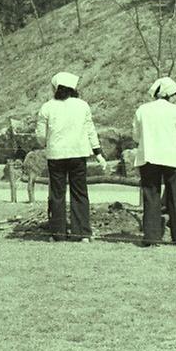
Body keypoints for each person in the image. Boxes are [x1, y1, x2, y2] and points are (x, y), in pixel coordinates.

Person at [36, 72, 106, 242]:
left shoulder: (47, 107)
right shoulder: (83, 106)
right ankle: (82, 233)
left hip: (56, 155)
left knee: (57, 194)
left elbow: (41, 137)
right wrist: (98, 154)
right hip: (78, 154)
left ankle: (58, 233)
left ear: (56, 88)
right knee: (80, 193)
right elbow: (90, 131)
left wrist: (47, 143)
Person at [133, 77, 176, 247]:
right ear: (168, 94)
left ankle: (152, 237)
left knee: (151, 196)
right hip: (171, 157)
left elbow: (136, 135)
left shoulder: (142, 110)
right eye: (175, 94)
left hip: (149, 156)